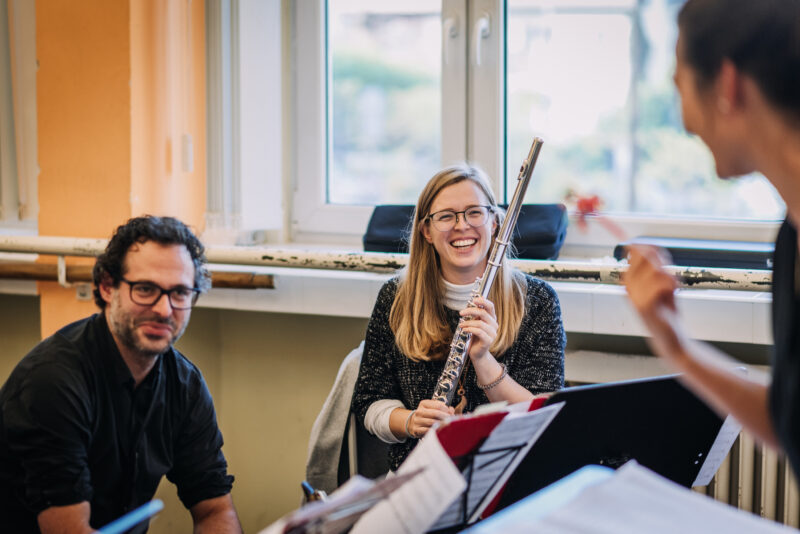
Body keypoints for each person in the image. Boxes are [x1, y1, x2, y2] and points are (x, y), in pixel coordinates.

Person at [624, 0, 800, 479]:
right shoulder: (790, 238)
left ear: (727, 85)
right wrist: (676, 345)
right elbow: (791, 424)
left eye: (680, 86)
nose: (684, 121)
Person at [0, 216, 242, 533]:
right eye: (145, 289)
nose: (164, 310)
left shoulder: (185, 385)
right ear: (107, 287)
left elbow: (214, 510)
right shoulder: (53, 383)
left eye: (180, 293)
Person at [352, 164, 566, 470]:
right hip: (419, 475)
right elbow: (369, 401)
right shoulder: (395, 297)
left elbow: (543, 416)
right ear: (425, 230)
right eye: (446, 216)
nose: (461, 225)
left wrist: (484, 361)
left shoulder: (538, 300)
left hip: (503, 475)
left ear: (495, 222)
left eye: (474, 212)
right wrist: (411, 421)